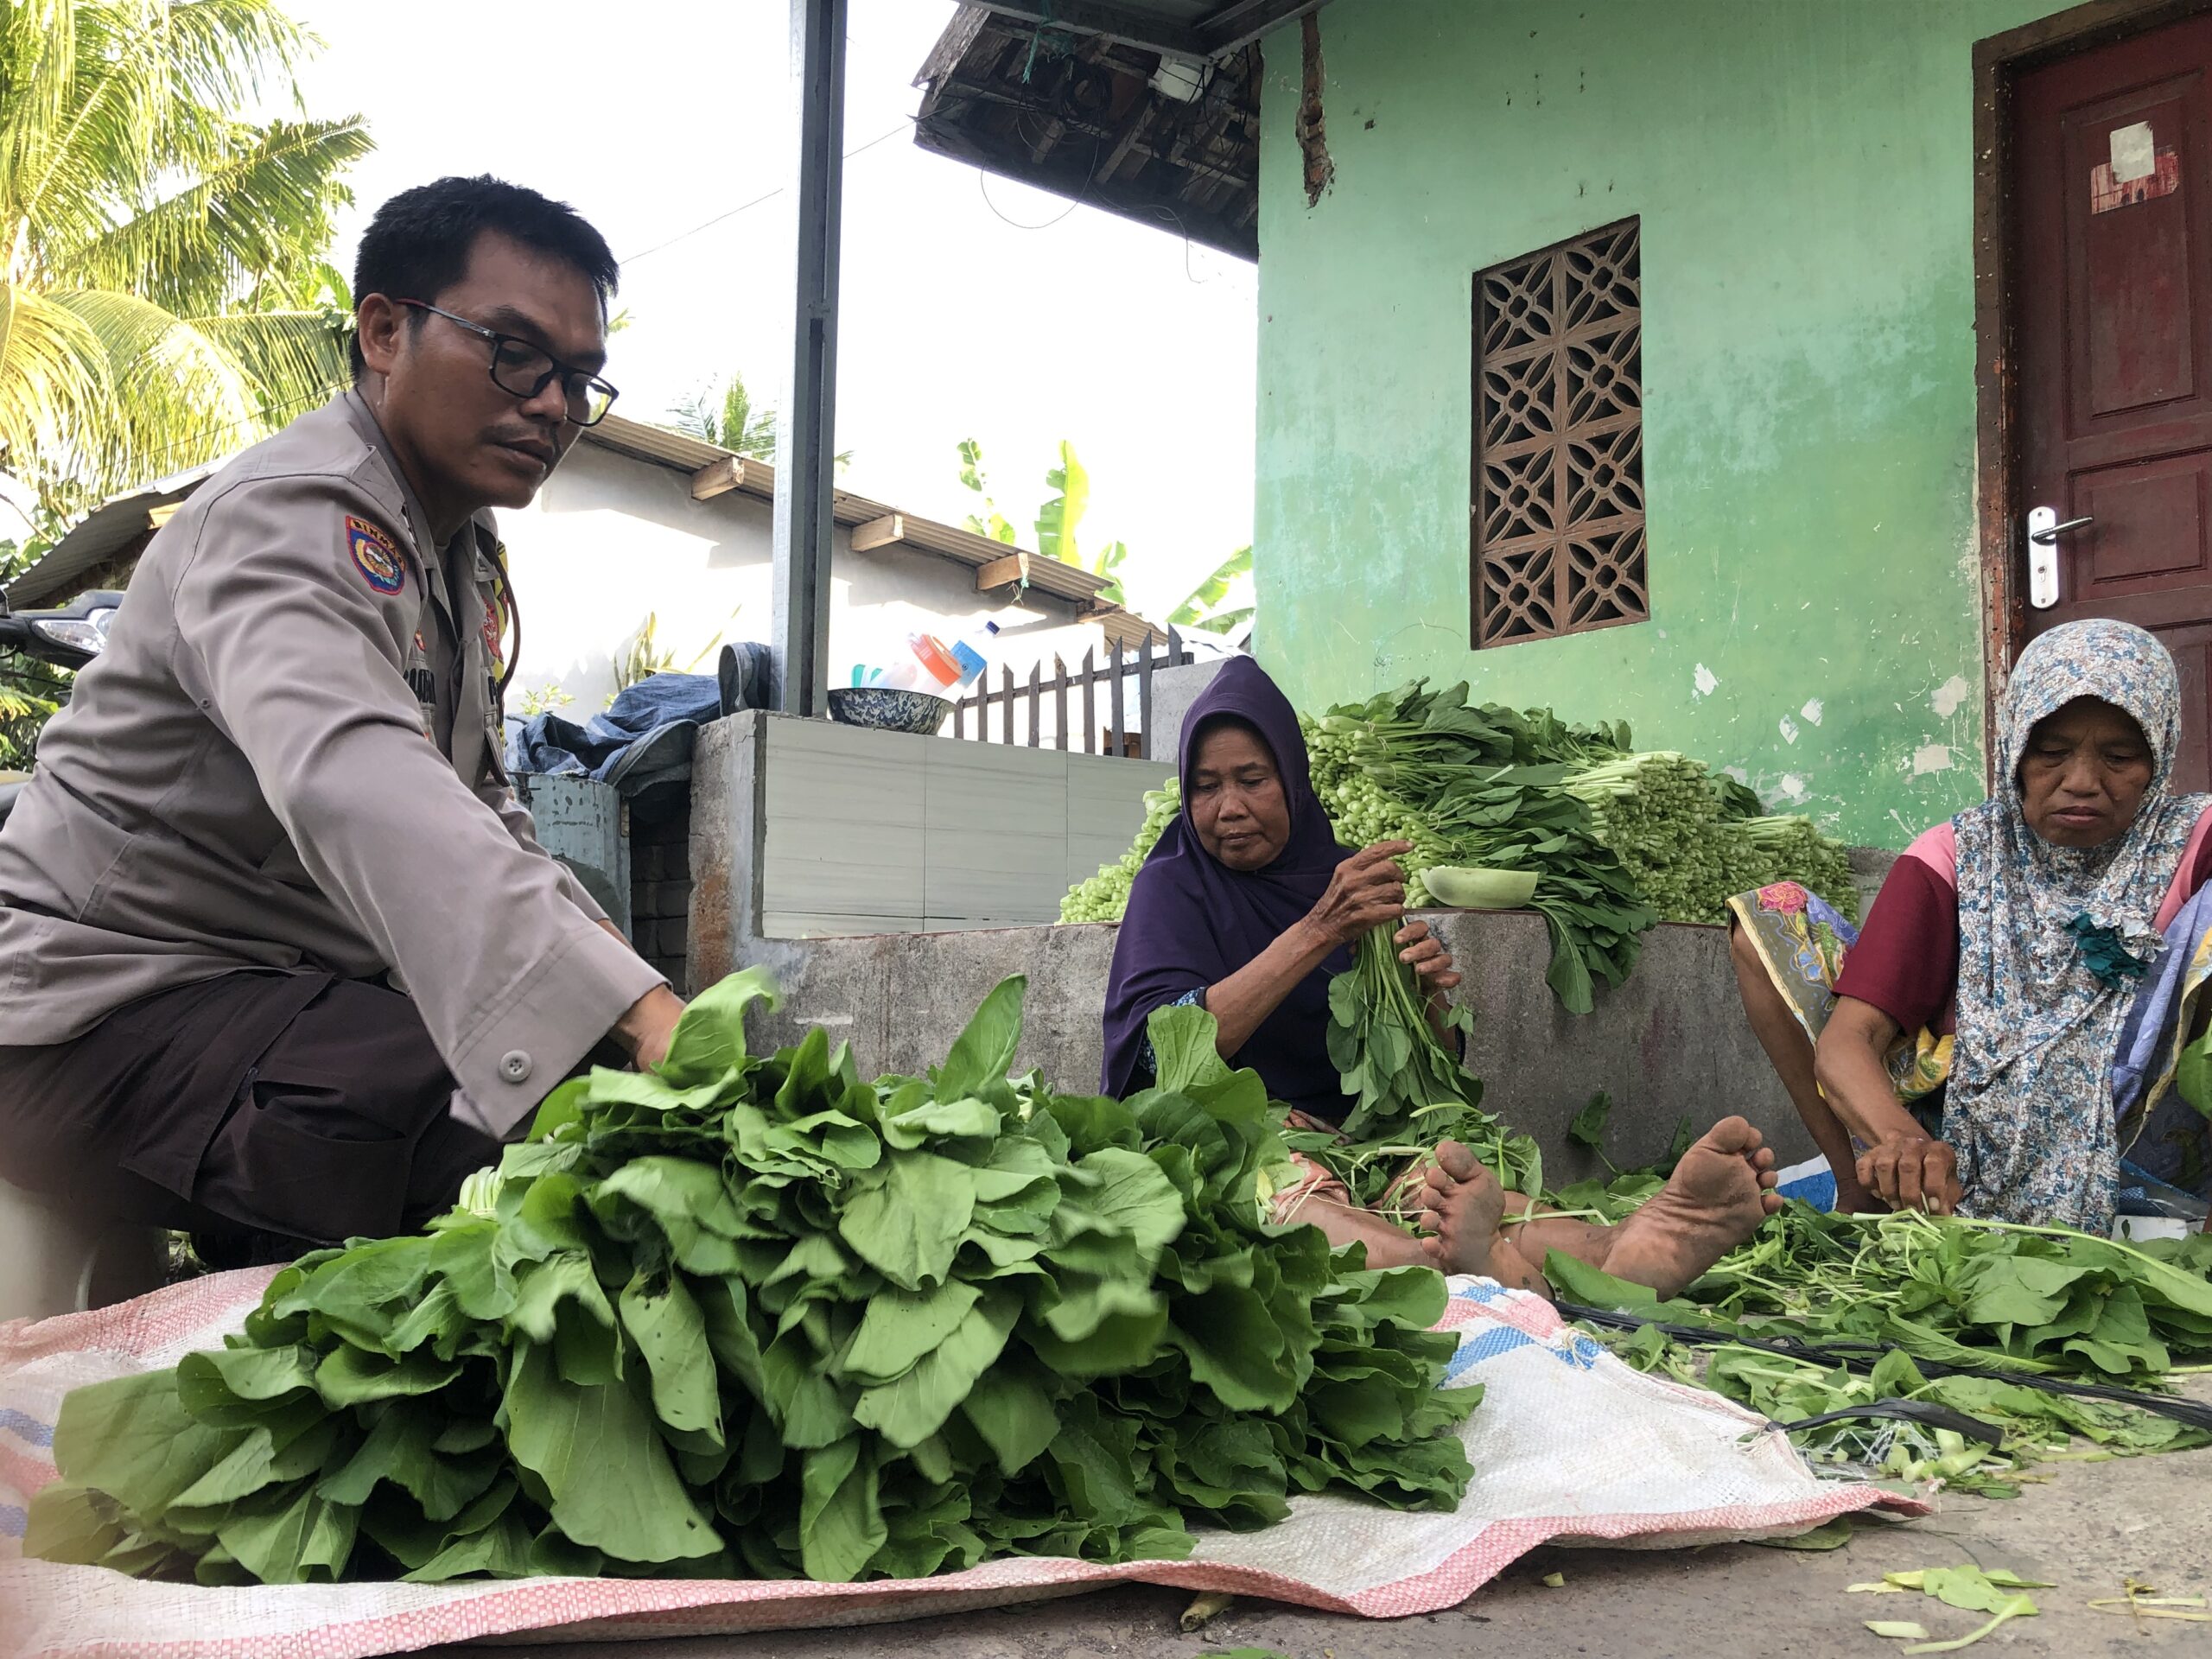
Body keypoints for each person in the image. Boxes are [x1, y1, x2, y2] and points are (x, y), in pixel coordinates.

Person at [0, 177, 684, 1263]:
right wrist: (642, 1017)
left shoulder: (452, 552)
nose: (552, 404)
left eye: (576, 378)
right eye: (515, 353)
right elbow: (355, 778)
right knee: (490, 1128)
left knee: (580, 1086)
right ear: (383, 332)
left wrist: (635, 999)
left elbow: (485, 814)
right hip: (85, 1005)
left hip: (263, 995)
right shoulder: (288, 511)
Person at [1103, 658, 1782, 1300]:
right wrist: (1315, 933)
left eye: (1252, 780)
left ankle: (1621, 1248)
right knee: (1294, 1199)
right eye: (1206, 786)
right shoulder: (1173, 888)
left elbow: (1420, 1073)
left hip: (1363, 1141)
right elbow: (1162, 1055)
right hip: (1235, 1139)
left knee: (1442, 1188)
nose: (1228, 806)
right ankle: (1455, 1270)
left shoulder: (1343, 878)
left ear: (1293, 778)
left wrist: (1427, 999)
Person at [1730, 618, 2212, 1236]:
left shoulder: (2190, 841)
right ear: (2015, 752)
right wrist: (1901, 1143)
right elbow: (1851, 1038)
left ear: (2159, 756)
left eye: (2119, 758)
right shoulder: (1958, 854)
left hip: (2142, 1131)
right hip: (1964, 1137)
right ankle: (1864, 1190)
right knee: (1769, 918)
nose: (2082, 782)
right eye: (2051, 753)